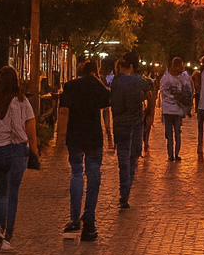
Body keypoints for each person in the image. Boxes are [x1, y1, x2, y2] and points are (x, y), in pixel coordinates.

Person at [0, 66, 36, 253]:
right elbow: (31, 131)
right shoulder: (22, 101)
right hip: (15, 150)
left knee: (1, 190)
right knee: (13, 192)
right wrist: (34, 152)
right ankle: (7, 234)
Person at [59, 59, 110, 242]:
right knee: (94, 174)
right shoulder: (98, 87)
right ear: (95, 72)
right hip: (93, 138)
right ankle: (89, 219)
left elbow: (63, 112)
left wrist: (60, 137)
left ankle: (74, 218)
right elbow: (108, 99)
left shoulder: (70, 87)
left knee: (76, 173)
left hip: (75, 136)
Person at [109, 52, 148, 209]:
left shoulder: (116, 82)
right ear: (132, 66)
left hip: (120, 124)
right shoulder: (139, 81)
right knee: (133, 158)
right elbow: (149, 87)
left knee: (123, 159)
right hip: (136, 122)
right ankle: (126, 191)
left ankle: (123, 191)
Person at [158, 57, 193, 162]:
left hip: (176, 110)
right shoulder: (166, 78)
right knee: (170, 134)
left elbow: (188, 91)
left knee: (176, 133)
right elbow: (164, 93)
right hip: (169, 110)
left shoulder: (182, 78)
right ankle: (171, 154)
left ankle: (175, 154)